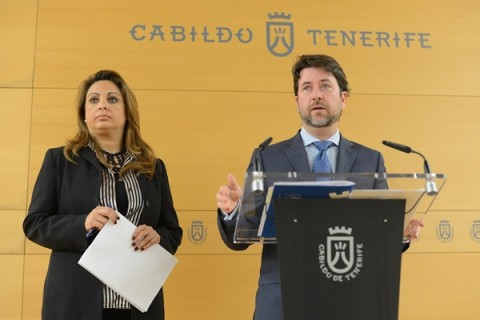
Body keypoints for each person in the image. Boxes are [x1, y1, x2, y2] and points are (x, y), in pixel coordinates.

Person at [215, 54, 424, 320]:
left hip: (351, 296)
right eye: (307, 88)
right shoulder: (267, 157)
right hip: (283, 300)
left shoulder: (370, 160)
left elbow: (377, 238)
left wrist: (397, 232)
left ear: (343, 98)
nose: (316, 95)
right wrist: (235, 212)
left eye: (325, 86)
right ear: (297, 101)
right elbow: (241, 238)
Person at [23, 70, 183, 320]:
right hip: (75, 304)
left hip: (138, 306)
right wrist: (82, 224)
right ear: (84, 115)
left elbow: (172, 232)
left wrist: (157, 236)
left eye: (112, 99)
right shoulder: (60, 160)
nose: (102, 106)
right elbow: (35, 223)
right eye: (94, 100)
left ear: (127, 112)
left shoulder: (153, 167)